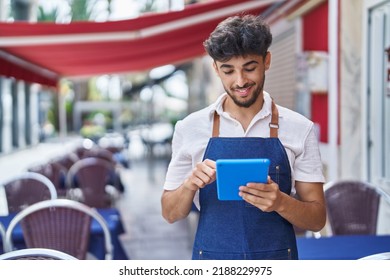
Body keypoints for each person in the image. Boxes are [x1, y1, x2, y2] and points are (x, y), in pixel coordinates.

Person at [161, 14, 326, 260]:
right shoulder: (190, 128)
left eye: (250, 68)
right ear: (216, 68)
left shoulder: (299, 128)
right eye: (228, 71)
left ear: (266, 61)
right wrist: (189, 184)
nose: (240, 81)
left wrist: (280, 202)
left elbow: (317, 219)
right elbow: (170, 213)